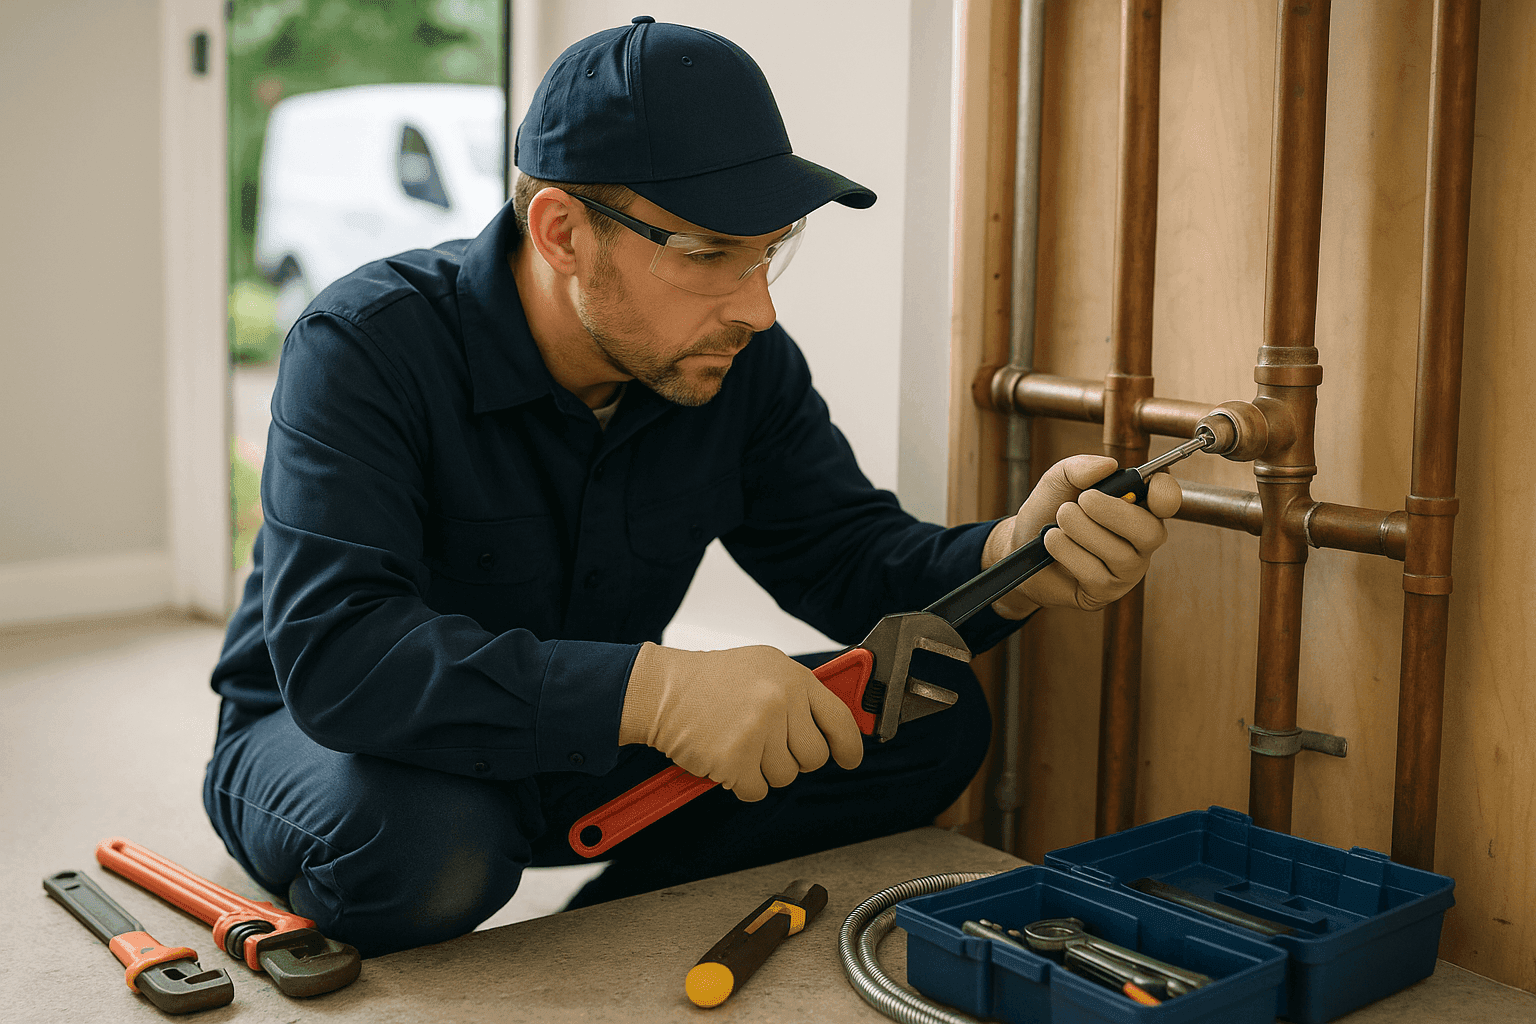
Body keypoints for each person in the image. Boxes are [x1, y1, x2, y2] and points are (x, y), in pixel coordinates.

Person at [204, 17, 1180, 959]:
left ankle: (600, 931)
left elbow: (848, 557)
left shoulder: (732, 362)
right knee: (430, 847)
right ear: (562, 232)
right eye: (712, 255)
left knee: (923, 713)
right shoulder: (365, 348)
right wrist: (658, 691)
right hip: (342, 740)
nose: (758, 308)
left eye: (769, 250)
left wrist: (1014, 558)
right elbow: (343, 659)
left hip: (582, 749)